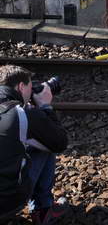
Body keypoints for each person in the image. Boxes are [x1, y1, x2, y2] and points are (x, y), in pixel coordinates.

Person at [0, 65, 68, 225]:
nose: (32, 93)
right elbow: (60, 142)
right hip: (5, 204)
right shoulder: (21, 113)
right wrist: (44, 107)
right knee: (45, 143)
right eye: (31, 88)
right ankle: (43, 209)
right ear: (21, 86)